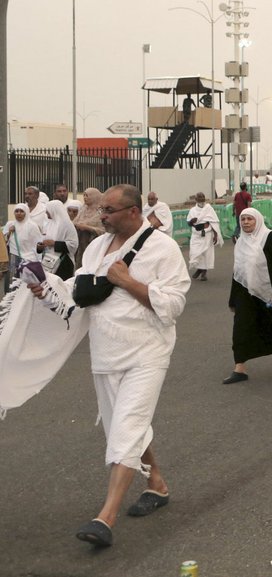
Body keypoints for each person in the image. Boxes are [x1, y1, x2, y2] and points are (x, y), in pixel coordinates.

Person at [28, 184, 191, 547]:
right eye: (101, 210)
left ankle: (106, 517)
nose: (101, 216)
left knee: (128, 424)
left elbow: (174, 303)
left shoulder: (163, 249)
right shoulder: (99, 246)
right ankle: (158, 484)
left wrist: (128, 282)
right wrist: (46, 289)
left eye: (109, 211)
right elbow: (77, 288)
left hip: (146, 352)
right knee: (123, 424)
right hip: (105, 352)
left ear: (133, 211)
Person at [222, 208, 272, 384]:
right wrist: (233, 299)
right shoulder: (240, 242)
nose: (245, 222)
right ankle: (240, 368)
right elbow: (237, 271)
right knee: (241, 328)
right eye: (243, 219)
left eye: (249, 219)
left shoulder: (270, 238)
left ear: (258, 221)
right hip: (245, 293)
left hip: (271, 293)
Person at [37, 200, 79, 281]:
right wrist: (40, 247)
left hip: (63, 263)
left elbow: (73, 245)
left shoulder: (67, 224)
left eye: (48, 211)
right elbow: (41, 239)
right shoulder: (47, 223)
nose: (46, 213)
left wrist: (54, 243)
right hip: (48, 262)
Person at [186, 192, 223, 281]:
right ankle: (199, 269)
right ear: (196, 199)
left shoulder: (209, 209)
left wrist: (215, 234)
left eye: (203, 197)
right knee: (195, 253)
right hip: (196, 235)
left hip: (207, 234)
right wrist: (192, 221)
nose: (202, 199)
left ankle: (203, 273)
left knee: (206, 254)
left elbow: (214, 221)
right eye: (199, 198)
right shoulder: (192, 210)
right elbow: (189, 223)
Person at [3, 204, 43, 276]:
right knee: (13, 281)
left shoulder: (32, 226)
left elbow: (38, 243)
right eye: (16, 211)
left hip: (29, 259)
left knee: (25, 282)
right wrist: (9, 232)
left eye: (21, 211)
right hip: (13, 257)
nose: (19, 213)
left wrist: (39, 260)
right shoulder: (10, 224)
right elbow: (3, 242)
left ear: (26, 212)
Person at [73, 188, 104, 260]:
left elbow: (104, 230)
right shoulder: (83, 209)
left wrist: (88, 228)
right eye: (84, 195)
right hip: (80, 244)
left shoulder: (101, 212)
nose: (84, 197)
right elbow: (75, 222)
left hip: (94, 244)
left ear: (94, 197)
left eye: (87, 195)